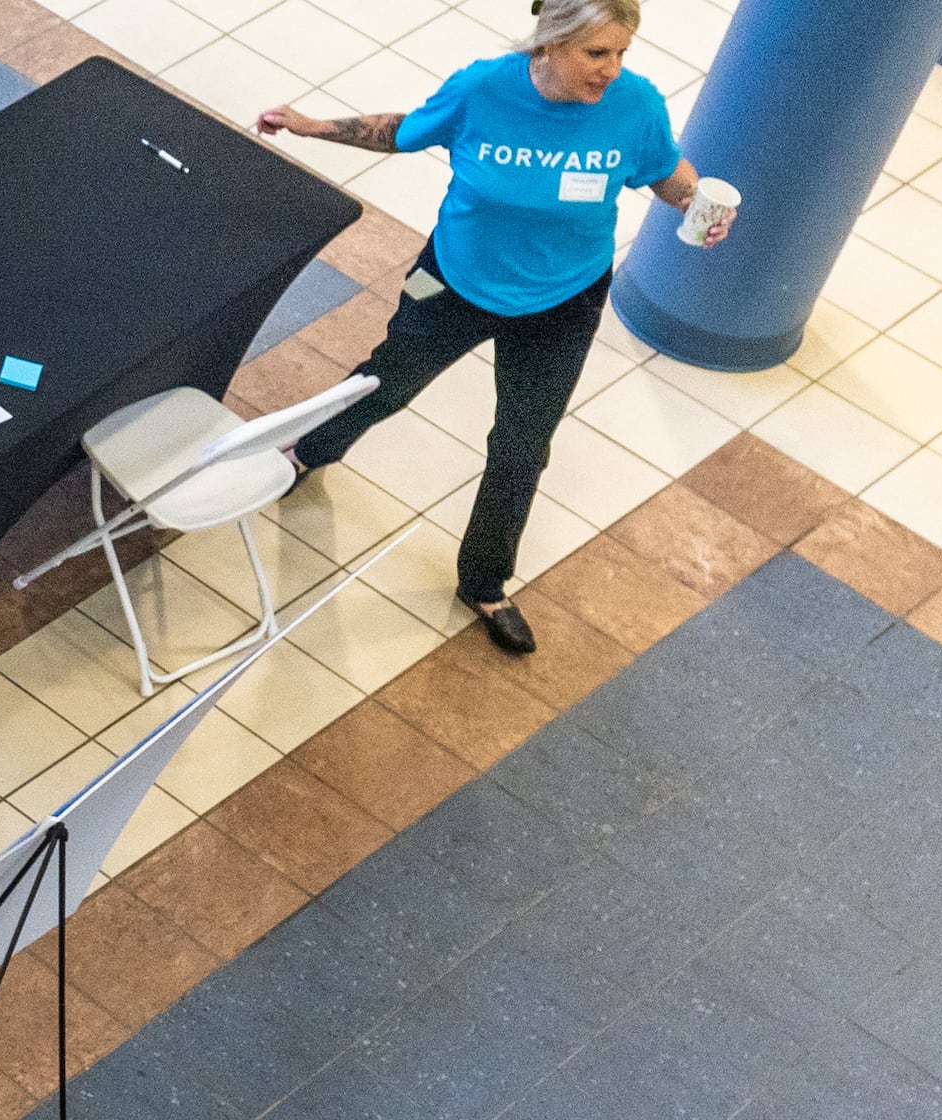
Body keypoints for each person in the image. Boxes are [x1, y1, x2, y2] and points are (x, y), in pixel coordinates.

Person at [260, 0, 720, 657]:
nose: (611, 70)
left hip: (564, 299)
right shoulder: (483, 89)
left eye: (622, 53)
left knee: (522, 447)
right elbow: (402, 130)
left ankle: (484, 582)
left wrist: (701, 203)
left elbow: (665, 176)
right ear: (550, 45)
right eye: (597, 54)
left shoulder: (636, 106)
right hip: (455, 281)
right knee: (386, 384)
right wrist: (310, 126)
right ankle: (309, 450)